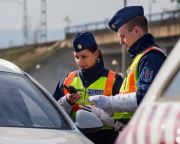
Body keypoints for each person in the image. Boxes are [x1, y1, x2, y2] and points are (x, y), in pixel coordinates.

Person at [88, 6, 166, 128]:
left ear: (136, 31)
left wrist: (109, 102)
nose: (121, 41)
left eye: (123, 36)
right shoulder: (141, 57)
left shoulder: (151, 57)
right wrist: (104, 115)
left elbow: (143, 98)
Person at [53, 31, 123, 144]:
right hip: (73, 138)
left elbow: (125, 119)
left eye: (84, 56)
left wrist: (100, 115)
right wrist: (67, 101)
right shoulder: (67, 80)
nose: (80, 62)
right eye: (76, 57)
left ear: (96, 54)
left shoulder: (115, 80)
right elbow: (53, 115)